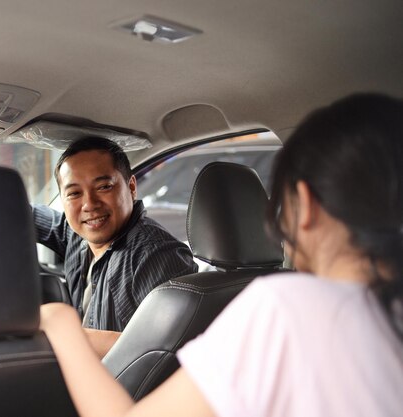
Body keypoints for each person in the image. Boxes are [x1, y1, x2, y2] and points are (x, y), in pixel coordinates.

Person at [40, 93, 403, 417]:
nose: (88, 203)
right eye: (74, 193)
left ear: (304, 204)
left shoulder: (290, 306)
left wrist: (63, 327)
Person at [33, 137, 198, 356]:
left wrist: (63, 334)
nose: (89, 204)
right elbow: (24, 212)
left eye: (103, 187)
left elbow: (168, 353)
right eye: (74, 193)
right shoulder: (77, 235)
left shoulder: (153, 255)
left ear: (131, 187)